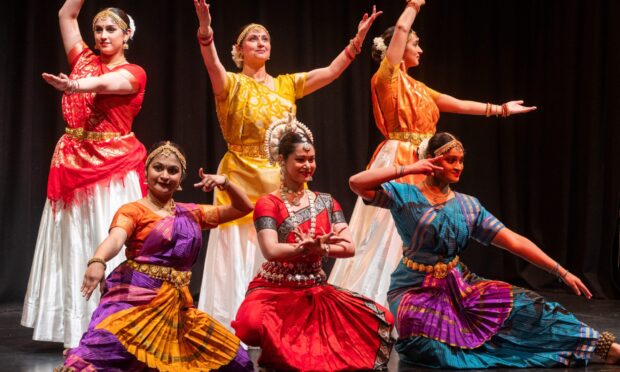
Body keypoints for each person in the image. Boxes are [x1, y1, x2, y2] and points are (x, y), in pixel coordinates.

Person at [348, 131, 620, 368]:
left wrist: (561, 272)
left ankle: (601, 346)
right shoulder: (404, 195)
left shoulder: (468, 206)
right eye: (450, 160)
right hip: (413, 290)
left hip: (460, 286)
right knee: (428, 346)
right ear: (430, 160)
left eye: (461, 160)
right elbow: (357, 183)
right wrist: (408, 169)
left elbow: (515, 241)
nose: (458, 166)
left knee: (529, 307)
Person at [329, 0, 537, 306]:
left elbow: (460, 104)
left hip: (425, 159)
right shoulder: (387, 80)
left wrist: (502, 109)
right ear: (396, 48)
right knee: (389, 230)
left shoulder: (420, 89)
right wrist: (413, 4)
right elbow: (401, 27)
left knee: (421, 227)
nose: (420, 49)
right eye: (415, 44)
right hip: (399, 156)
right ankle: (384, 298)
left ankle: (422, 293)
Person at [192, 0, 383, 328]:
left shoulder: (286, 85)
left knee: (283, 243)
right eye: (253, 39)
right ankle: (232, 323)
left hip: (282, 180)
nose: (261, 43)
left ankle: (280, 319)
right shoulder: (231, 84)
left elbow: (331, 72)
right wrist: (206, 29)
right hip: (239, 173)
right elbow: (212, 65)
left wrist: (357, 40)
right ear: (239, 50)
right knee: (237, 248)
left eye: (265, 38)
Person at [57, 141, 255, 371]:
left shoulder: (191, 213)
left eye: (173, 171)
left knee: (235, 360)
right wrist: (98, 260)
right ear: (146, 171)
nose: (164, 175)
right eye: (158, 168)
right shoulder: (133, 211)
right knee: (108, 349)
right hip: (133, 301)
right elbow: (116, 239)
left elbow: (243, 208)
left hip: (177, 309)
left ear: (181, 179)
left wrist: (226, 182)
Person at [22, 0, 149, 348]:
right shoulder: (83, 60)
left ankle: (115, 329)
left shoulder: (134, 72)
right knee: (72, 242)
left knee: (105, 239)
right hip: (72, 164)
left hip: (112, 170)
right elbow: (66, 13)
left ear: (127, 35)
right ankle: (74, 329)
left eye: (111, 29)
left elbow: (110, 85)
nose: (103, 34)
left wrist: (74, 87)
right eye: (98, 29)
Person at [231, 118, 394, 370]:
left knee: (379, 319)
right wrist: (302, 248)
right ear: (282, 161)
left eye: (312, 159)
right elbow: (271, 250)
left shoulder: (327, 202)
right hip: (275, 288)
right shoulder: (268, 203)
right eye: (300, 160)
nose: (308, 165)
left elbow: (349, 247)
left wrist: (323, 249)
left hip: (314, 289)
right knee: (251, 324)